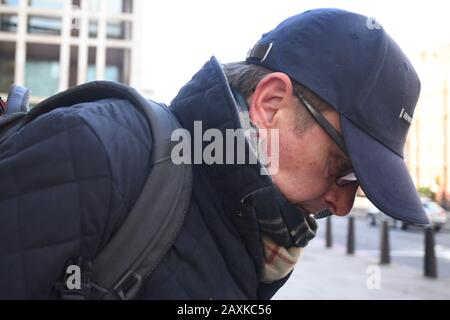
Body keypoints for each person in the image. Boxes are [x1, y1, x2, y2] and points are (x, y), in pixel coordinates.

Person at [0, 8, 428, 299]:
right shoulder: (95, 151)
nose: (342, 203)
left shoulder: (267, 236)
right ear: (270, 103)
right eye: (342, 170)